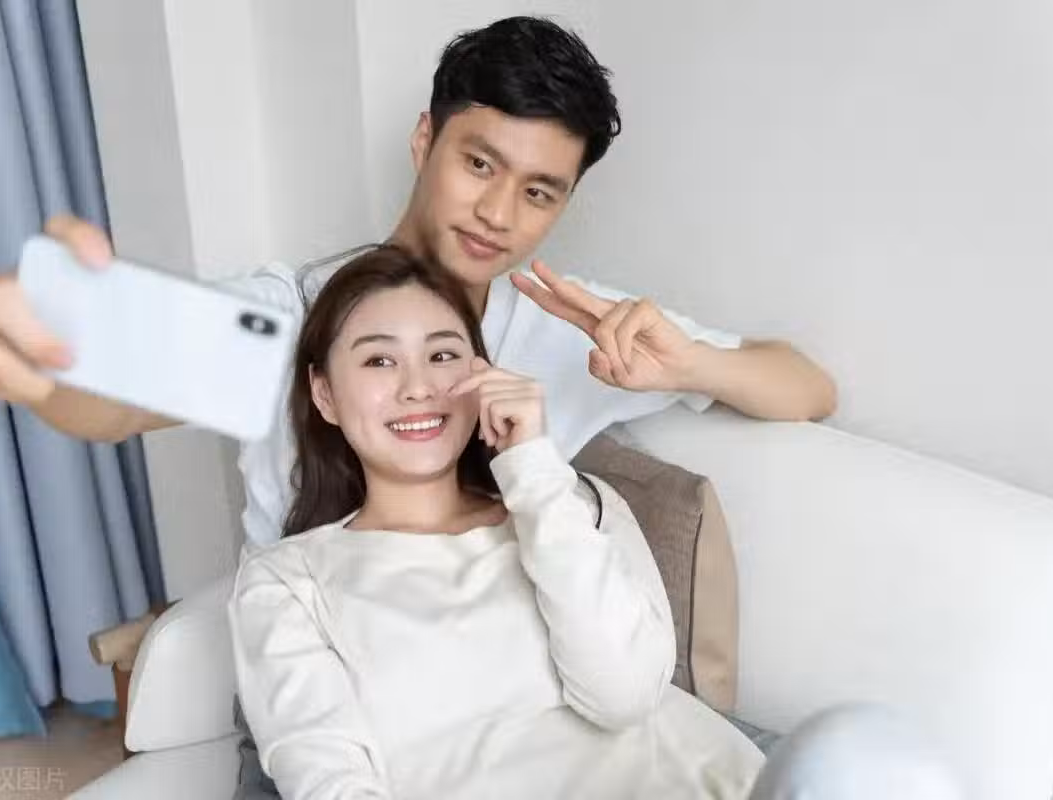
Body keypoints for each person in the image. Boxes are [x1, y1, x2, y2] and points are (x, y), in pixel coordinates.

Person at [0, 16, 836, 551]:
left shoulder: (574, 328)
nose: (498, 212)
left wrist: (688, 365)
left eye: (539, 192)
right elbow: (115, 405)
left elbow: (806, 387)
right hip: (323, 702)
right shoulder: (295, 311)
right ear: (425, 141)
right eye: (479, 163)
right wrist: (43, 367)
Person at [230, 244, 964, 800]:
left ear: (484, 375)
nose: (418, 386)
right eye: (379, 362)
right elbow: (328, 782)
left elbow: (623, 694)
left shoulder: (570, 503)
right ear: (324, 395)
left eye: (444, 355)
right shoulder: (287, 582)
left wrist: (531, 468)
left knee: (865, 750)